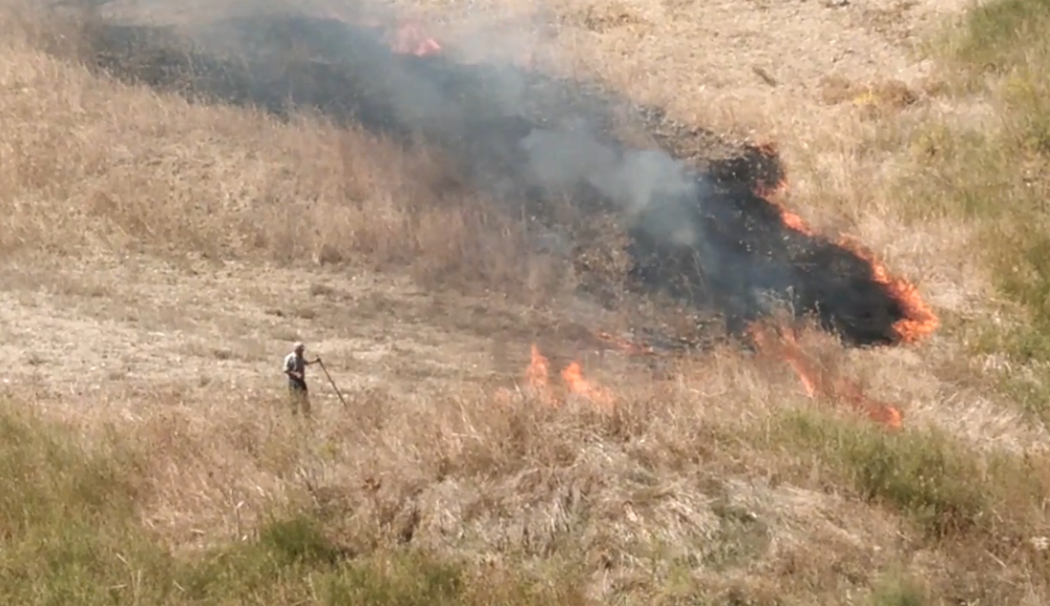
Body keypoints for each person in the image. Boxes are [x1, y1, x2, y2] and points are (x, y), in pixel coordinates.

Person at [284, 342, 319, 416]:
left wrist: (315, 361)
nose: (302, 352)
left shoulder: (300, 357)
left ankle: (307, 415)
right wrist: (295, 374)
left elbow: (306, 363)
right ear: (297, 350)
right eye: (301, 350)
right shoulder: (290, 358)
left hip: (301, 381)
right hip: (293, 382)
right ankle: (294, 415)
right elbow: (285, 370)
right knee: (294, 399)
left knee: (305, 398)